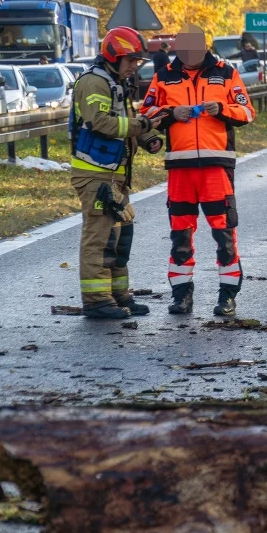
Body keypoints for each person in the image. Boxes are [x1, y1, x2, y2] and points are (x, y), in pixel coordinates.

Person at [141, 24, 256, 316]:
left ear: (205, 46)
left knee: (224, 233)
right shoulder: (164, 75)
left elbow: (247, 112)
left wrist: (222, 108)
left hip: (216, 166)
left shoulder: (227, 73)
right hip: (180, 167)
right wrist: (169, 114)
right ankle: (181, 296)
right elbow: (146, 113)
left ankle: (227, 297)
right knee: (180, 234)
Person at [69, 27, 164, 319]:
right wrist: (144, 126)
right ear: (114, 55)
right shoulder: (94, 83)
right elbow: (101, 123)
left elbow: (126, 122)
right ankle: (97, 300)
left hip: (114, 176)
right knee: (99, 238)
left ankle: (119, 295)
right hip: (96, 175)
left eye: (138, 60)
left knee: (121, 236)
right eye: (131, 59)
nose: (135, 65)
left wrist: (147, 138)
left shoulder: (115, 82)